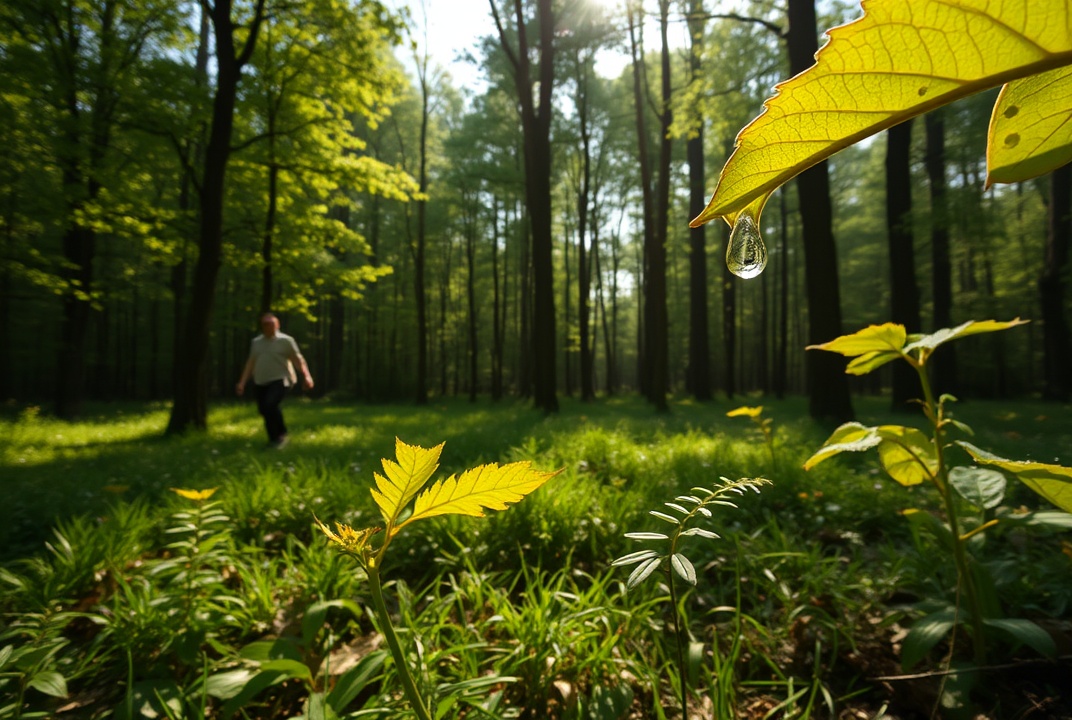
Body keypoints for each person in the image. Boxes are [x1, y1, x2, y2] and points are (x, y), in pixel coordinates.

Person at [236, 313, 314, 448]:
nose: (268, 327)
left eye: (271, 324)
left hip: (282, 379)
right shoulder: (256, 342)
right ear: (262, 326)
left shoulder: (286, 341)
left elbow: (298, 360)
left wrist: (307, 376)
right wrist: (242, 382)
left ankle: (281, 435)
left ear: (277, 325)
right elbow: (250, 363)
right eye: (265, 324)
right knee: (264, 410)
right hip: (261, 380)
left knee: (270, 404)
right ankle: (273, 439)